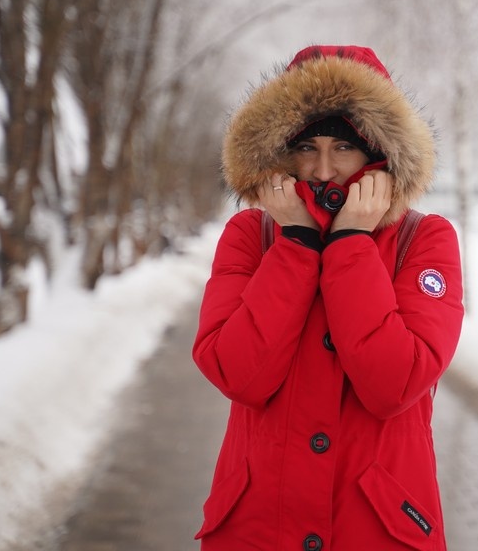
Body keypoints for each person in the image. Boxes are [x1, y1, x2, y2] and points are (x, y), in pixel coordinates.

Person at [192, 45, 464, 550]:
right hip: (258, 527)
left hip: (375, 528)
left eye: (343, 148)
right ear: (279, 154)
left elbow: (394, 384)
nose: (321, 170)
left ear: (378, 154)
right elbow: (237, 374)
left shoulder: (422, 240)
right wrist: (295, 244)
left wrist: (351, 243)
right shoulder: (251, 235)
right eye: (306, 148)